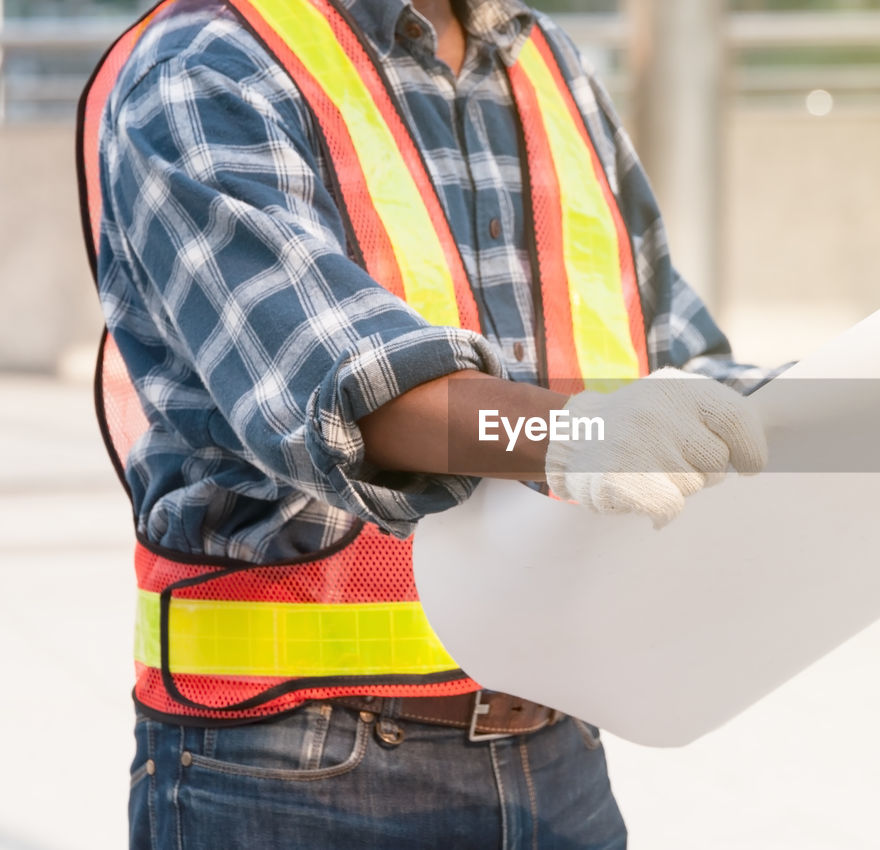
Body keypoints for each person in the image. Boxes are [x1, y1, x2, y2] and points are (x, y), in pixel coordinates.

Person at [78, 0, 770, 846]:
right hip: (294, 763)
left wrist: (877, 402)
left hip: (555, 745)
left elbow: (673, 354)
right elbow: (349, 391)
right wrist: (581, 437)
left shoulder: (542, 59)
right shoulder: (206, 66)